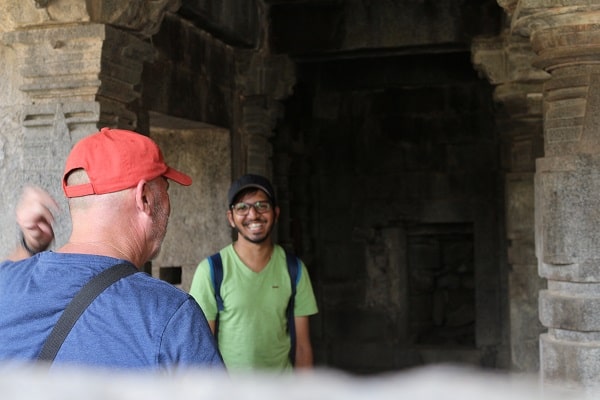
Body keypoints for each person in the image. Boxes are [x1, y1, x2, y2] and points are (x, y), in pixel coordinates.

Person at [0, 127, 224, 372]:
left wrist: (30, 246)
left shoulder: (7, 283)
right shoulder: (171, 316)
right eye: (166, 190)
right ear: (145, 198)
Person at [189, 174, 318, 372]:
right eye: (242, 207)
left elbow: (302, 348)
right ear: (231, 218)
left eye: (262, 205)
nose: (253, 214)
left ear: (276, 212)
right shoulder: (211, 271)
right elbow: (202, 352)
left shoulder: (294, 269)